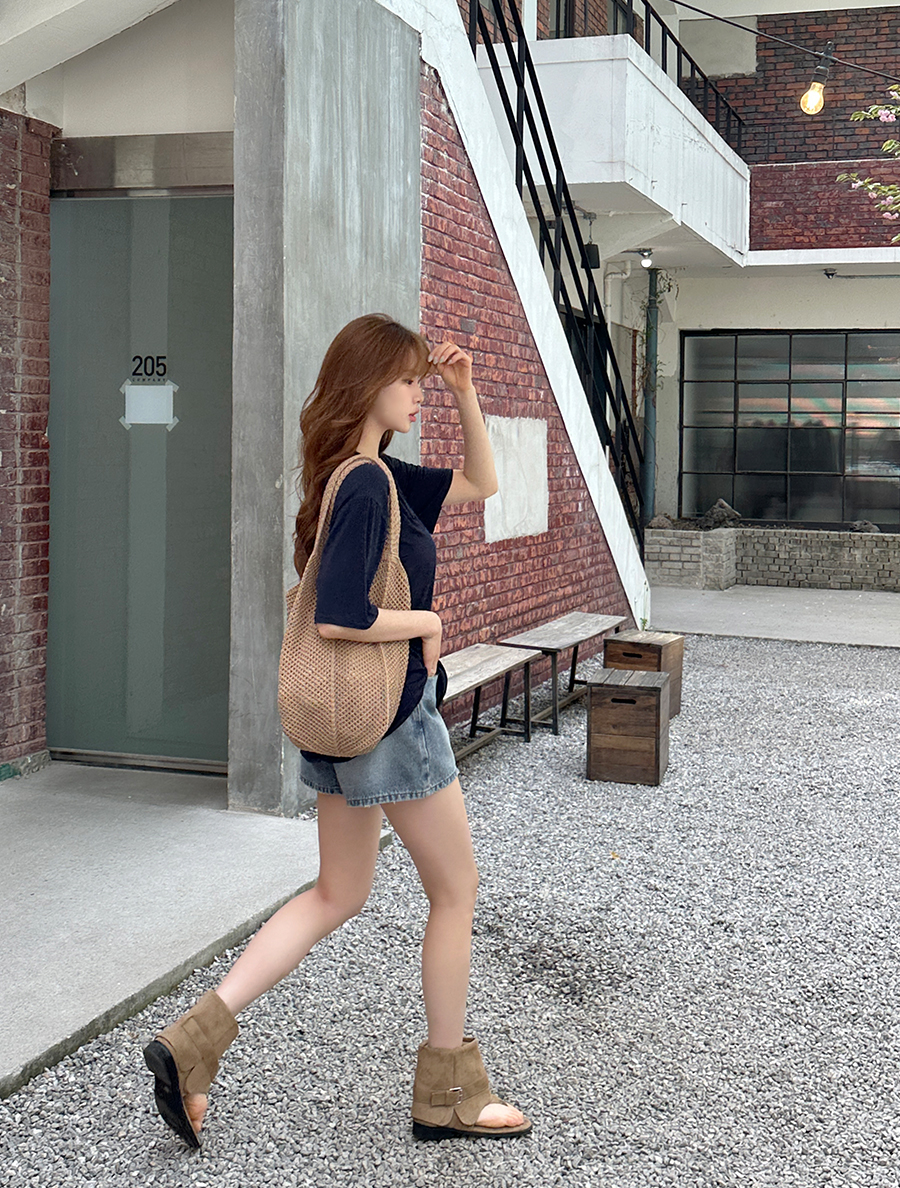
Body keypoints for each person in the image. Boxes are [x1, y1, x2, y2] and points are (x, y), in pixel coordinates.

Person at [143, 313, 532, 1148]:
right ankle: (450, 1096)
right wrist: (427, 621)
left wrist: (465, 391)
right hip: (391, 718)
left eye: (422, 380)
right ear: (367, 384)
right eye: (408, 381)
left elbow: (483, 482)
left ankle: (193, 1042)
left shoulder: (377, 478)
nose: (419, 392)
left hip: (347, 721)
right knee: (455, 891)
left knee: (338, 893)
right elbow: (341, 617)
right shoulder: (363, 486)